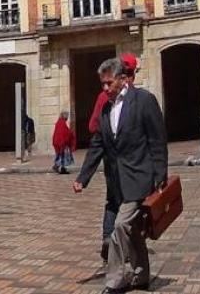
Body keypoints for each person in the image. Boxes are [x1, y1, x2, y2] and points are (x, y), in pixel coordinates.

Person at [74, 56, 168, 294]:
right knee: (133, 230)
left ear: (123, 79)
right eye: (102, 84)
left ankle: (114, 281)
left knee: (119, 226)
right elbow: (98, 145)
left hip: (140, 177)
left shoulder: (144, 101)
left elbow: (157, 140)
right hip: (118, 181)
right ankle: (141, 275)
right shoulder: (106, 108)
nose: (105, 88)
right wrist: (82, 178)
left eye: (108, 83)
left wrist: (160, 175)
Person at [87, 53, 139, 263]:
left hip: (116, 163)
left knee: (113, 203)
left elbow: (92, 126)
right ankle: (122, 245)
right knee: (128, 204)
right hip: (128, 164)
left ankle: (110, 239)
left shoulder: (133, 98)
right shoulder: (121, 98)